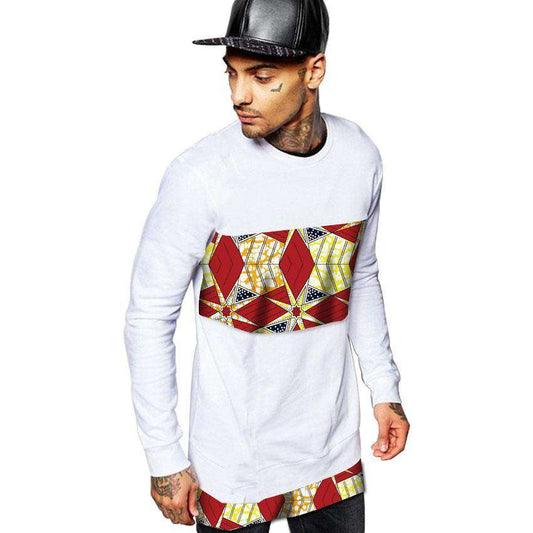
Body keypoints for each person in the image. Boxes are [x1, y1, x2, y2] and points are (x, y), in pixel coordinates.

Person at [123, 1, 410, 531]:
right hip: (233, 464)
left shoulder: (359, 157)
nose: (239, 95)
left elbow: (361, 275)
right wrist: (163, 456)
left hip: (331, 453)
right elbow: (149, 316)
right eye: (231, 75)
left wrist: (384, 389)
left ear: (314, 71)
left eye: (261, 77)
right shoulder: (200, 175)